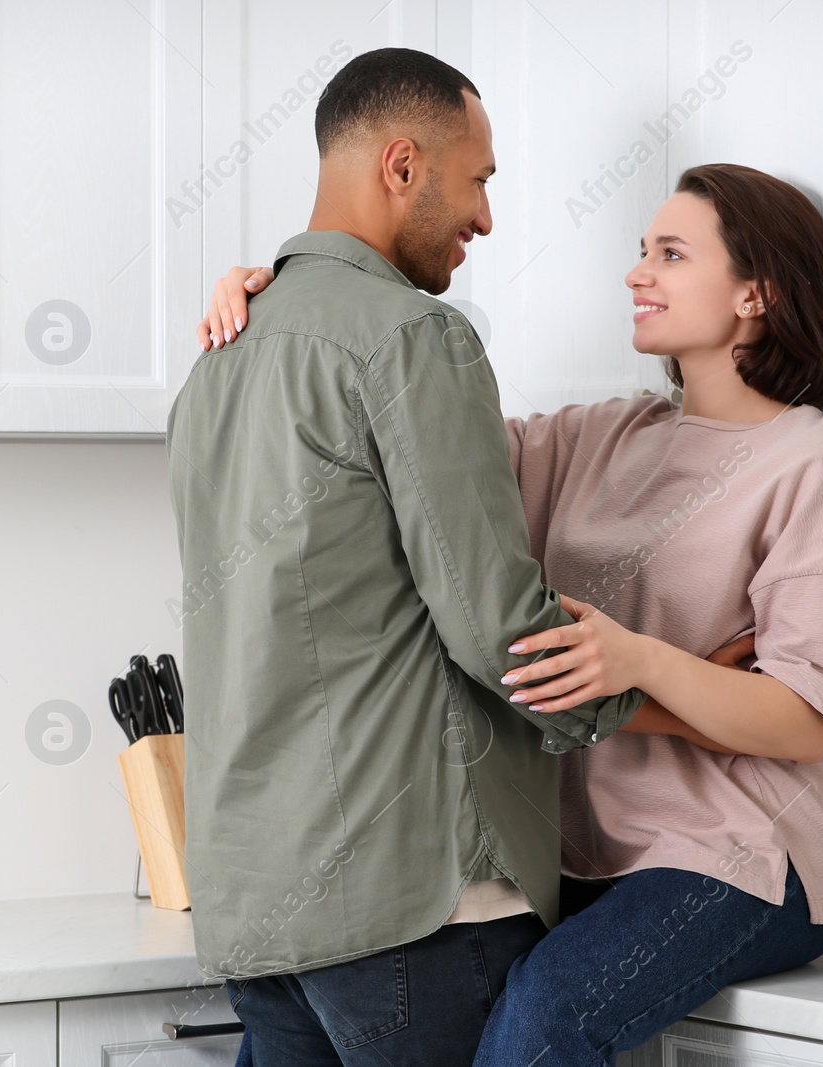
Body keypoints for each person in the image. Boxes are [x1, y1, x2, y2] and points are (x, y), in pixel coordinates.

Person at [198, 163, 823, 1066]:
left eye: (671, 254)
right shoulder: (600, 435)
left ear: (755, 292)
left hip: (738, 856)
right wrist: (297, 298)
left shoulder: (809, 463)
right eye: (642, 251)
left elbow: (800, 719)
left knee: (547, 1007)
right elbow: (419, 445)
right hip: (584, 850)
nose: (637, 273)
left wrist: (635, 659)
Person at [166, 47, 648, 1066]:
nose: (483, 216)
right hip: (411, 900)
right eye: (476, 180)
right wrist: (647, 686)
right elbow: (495, 626)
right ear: (401, 165)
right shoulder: (414, 337)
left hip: (258, 902)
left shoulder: (219, 355)